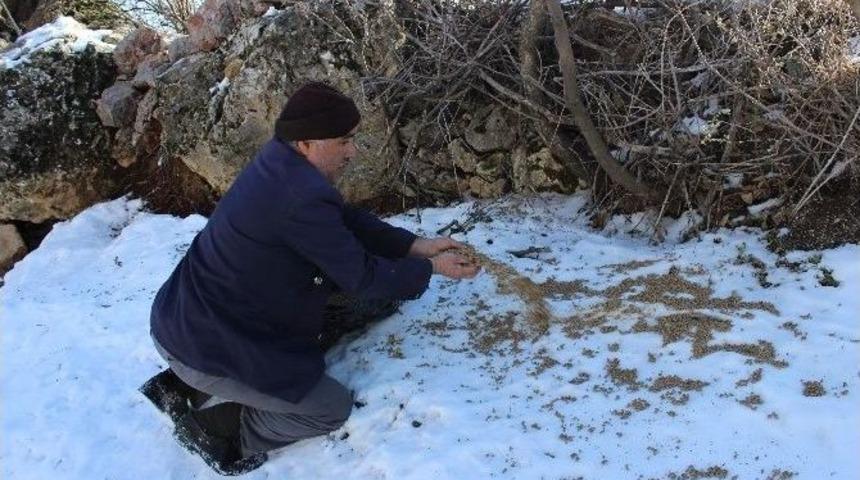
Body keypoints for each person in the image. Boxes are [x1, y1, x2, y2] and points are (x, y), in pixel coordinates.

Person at [144, 82, 479, 474]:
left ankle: (185, 384)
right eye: (343, 141)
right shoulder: (297, 194)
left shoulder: (281, 162)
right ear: (305, 143)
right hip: (202, 342)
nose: (353, 151)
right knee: (328, 407)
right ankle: (221, 431)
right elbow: (361, 276)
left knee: (353, 308)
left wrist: (416, 246)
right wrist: (432, 267)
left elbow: (344, 222)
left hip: (184, 318)